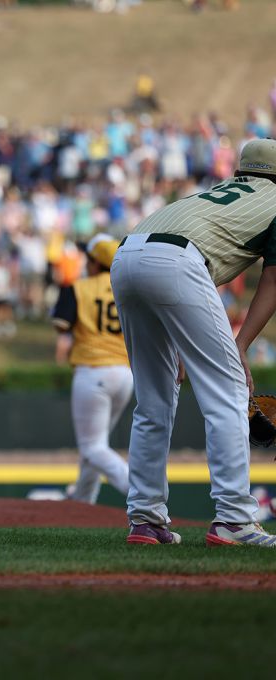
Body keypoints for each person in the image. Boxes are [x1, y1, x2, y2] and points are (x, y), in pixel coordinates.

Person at [111, 138, 276, 547]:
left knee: (153, 400)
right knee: (230, 390)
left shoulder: (213, 195)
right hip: (178, 263)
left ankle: (145, 519)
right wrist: (240, 345)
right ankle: (234, 520)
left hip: (127, 256)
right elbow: (273, 280)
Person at [53, 236, 132, 504]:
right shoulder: (129, 287)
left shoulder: (79, 288)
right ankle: (83, 501)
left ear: (96, 262)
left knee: (92, 446)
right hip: (124, 373)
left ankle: (141, 492)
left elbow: (60, 325)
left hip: (92, 371)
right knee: (95, 444)